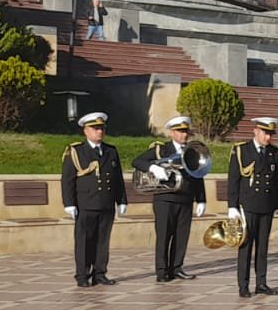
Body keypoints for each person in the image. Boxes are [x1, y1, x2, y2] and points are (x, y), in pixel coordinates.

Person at [132, 114, 207, 283]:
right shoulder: (161, 150)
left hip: (185, 199)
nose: (184, 135)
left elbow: (197, 174)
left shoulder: (192, 151)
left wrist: (201, 199)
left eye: (185, 131)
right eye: (180, 131)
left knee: (182, 237)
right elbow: (137, 161)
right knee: (164, 235)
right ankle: (161, 270)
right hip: (165, 199)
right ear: (172, 133)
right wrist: (153, 167)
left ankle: (177, 268)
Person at [60, 110, 127, 287]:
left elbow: (117, 178)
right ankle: (82, 275)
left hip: (106, 203)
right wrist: (69, 203)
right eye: (95, 128)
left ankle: (100, 273)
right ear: (86, 131)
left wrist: (121, 200)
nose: (99, 131)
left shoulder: (111, 151)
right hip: (86, 204)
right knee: (84, 241)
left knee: (103, 241)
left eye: (102, 128)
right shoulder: (76, 151)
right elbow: (68, 179)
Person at [226, 117, 278, 299]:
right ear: (255, 131)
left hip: (266, 206)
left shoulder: (275, 153)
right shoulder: (242, 150)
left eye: (271, 134)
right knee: (245, 248)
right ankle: (243, 285)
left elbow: (277, 182)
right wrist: (232, 206)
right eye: (265, 133)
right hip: (248, 206)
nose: (268, 137)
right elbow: (233, 180)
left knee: (263, 248)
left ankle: (261, 282)